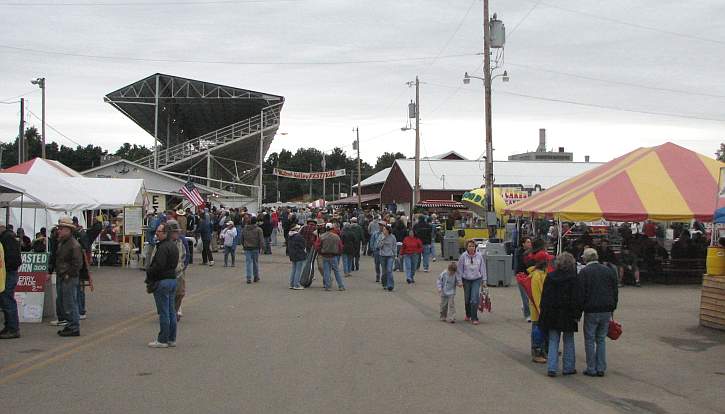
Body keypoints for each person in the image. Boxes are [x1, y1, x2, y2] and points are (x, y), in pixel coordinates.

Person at [578, 248, 618, 377]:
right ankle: (601, 367)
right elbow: (614, 290)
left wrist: (579, 312)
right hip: (606, 308)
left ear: (586, 258)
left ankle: (591, 367)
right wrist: (613, 307)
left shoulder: (584, 272)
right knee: (601, 339)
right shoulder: (608, 270)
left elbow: (581, 293)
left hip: (591, 309)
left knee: (589, 339)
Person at [539, 252, 580, 377]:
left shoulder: (550, 277)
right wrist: (577, 314)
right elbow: (576, 298)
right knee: (568, 340)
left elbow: (545, 296)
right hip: (568, 313)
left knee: (553, 340)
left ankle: (552, 367)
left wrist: (543, 311)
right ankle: (568, 367)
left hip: (552, 312)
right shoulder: (574, 278)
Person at [145, 222, 179, 348]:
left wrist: (149, 273)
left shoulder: (163, 247)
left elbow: (159, 265)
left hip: (163, 281)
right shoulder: (173, 246)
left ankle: (163, 339)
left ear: (165, 233)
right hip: (172, 280)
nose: (156, 234)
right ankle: (171, 338)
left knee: (164, 311)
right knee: (171, 311)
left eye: (159, 232)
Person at [54, 217, 84, 337]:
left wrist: (68, 274)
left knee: (70, 302)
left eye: (61, 228)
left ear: (68, 230)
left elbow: (78, 263)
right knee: (65, 301)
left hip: (69, 276)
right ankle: (70, 324)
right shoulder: (63, 242)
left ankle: (73, 326)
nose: (59, 231)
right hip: (64, 275)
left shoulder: (73, 244)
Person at [527, 249, 551, 362]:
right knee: (537, 332)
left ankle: (543, 350)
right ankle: (536, 353)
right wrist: (541, 310)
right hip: (538, 309)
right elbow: (537, 295)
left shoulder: (542, 274)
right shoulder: (537, 276)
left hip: (542, 308)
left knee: (542, 331)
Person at [456, 240, 487, 325]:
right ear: (467, 247)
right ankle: (468, 314)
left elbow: (483, 268)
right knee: (467, 299)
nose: (471, 248)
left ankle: (474, 317)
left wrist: (484, 280)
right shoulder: (463, 256)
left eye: (473, 246)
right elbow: (459, 270)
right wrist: (459, 281)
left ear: (475, 247)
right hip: (466, 280)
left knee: (474, 299)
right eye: (470, 246)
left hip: (476, 279)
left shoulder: (479, 256)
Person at [0, 222, 21, 339]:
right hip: (8, 272)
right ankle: (9, 326)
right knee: (6, 299)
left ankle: (13, 328)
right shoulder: (8, 237)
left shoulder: (7, 238)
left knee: (7, 299)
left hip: (9, 273)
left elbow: (12, 259)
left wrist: (6, 267)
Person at [168, 220, 189, 322]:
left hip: (179, 273)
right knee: (169, 294)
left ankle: (174, 310)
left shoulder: (181, 242)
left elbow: (185, 255)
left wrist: (183, 266)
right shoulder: (163, 244)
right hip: (167, 274)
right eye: (175, 231)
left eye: (178, 231)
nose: (177, 233)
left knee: (180, 293)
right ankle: (170, 313)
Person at [316, 223, 345, 291]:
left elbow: (317, 246)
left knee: (326, 271)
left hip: (325, 255)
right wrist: (339, 253)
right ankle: (341, 286)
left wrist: (320, 252)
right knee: (336, 271)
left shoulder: (322, 236)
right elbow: (340, 246)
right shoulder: (336, 236)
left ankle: (327, 286)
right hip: (334, 255)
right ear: (332, 228)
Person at [241, 216, 265, 284]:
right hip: (255, 248)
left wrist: (244, 245)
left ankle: (248, 277)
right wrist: (262, 248)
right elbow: (261, 240)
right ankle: (256, 276)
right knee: (255, 262)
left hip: (247, 247)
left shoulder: (244, 229)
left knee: (248, 263)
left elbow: (242, 239)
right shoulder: (259, 229)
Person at [514, 237, 533, 322]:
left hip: (531, 275)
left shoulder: (533, 251)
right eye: (528, 242)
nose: (530, 243)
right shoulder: (519, 252)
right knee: (524, 296)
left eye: (530, 242)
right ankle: (527, 315)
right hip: (521, 275)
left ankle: (525, 306)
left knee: (530, 295)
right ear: (523, 244)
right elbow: (522, 264)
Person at [376, 223, 397, 291]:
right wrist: (382, 240)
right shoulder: (380, 236)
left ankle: (390, 285)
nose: (383, 231)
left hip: (390, 256)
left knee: (389, 270)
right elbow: (378, 246)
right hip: (382, 256)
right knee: (384, 271)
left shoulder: (392, 237)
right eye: (383, 229)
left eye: (384, 229)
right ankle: (384, 284)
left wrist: (395, 255)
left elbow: (394, 246)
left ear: (388, 230)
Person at [286, 224, 306, 290]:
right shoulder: (298, 236)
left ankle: (292, 284)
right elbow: (303, 245)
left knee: (294, 269)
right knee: (298, 270)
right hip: (299, 254)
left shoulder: (289, 235)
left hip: (292, 254)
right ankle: (296, 284)